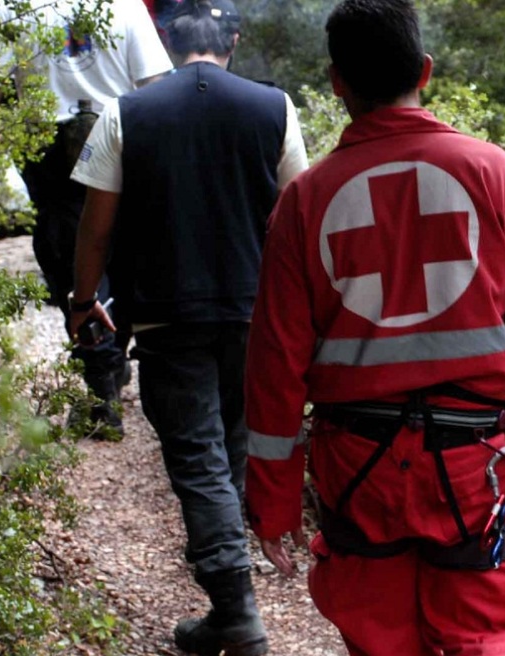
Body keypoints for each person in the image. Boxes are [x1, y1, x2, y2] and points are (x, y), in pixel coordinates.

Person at [241, 0, 505, 653]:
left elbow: (274, 366)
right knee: (485, 628)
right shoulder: (494, 173)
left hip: (357, 467)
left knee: (378, 632)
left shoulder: (305, 203)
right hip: (473, 463)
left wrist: (274, 502)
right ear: (424, 69)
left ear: (337, 81)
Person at [66, 0, 308, 653]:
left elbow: (96, 225)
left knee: (198, 458)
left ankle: (235, 609)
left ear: (169, 42)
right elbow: (298, 215)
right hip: (254, 312)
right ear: (232, 41)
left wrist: (83, 300)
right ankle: (232, 592)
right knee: (229, 447)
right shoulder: (274, 108)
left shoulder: (126, 112)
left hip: (167, 313)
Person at [0, 0, 174, 438]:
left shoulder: (4, 6)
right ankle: (109, 364)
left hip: (46, 141)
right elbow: (155, 83)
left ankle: (101, 385)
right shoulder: (124, 4)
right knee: (122, 251)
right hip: (118, 128)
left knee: (69, 253)